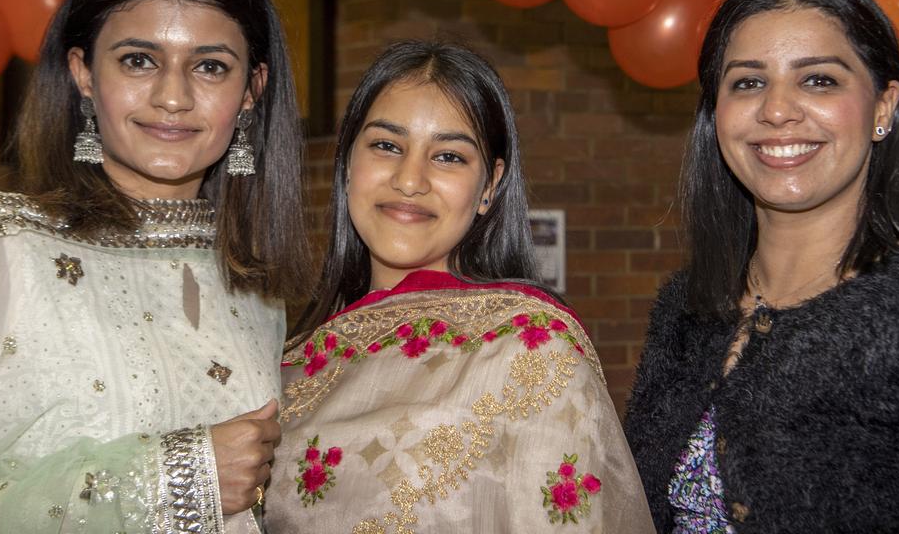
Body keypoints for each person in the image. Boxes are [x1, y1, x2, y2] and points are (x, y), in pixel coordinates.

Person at [623, 0, 899, 532]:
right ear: (716, 115)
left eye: (818, 79)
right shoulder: (686, 310)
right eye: (748, 82)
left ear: (883, 106)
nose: (777, 110)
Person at [0, 0, 315, 533]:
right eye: (139, 60)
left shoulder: (255, 282)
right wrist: (174, 477)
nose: (173, 97)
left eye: (210, 67)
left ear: (251, 92)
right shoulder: (3, 252)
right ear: (83, 72)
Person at [266, 41, 654, 533]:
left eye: (448, 156)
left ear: (490, 185)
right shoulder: (290, 364)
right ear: (347, 163)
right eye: (386, 145)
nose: (410, 180)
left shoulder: (529, 352)